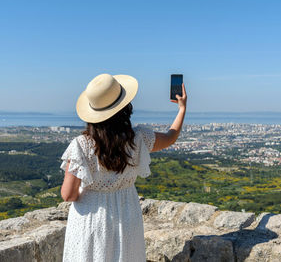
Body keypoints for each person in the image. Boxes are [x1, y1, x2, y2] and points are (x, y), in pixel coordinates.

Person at [60, 73, 187, 262]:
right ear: (124, 108)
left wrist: (91, 191)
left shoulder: (81, 145)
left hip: (91, 217)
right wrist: (182, 109)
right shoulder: (138, 138)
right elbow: (170, 137)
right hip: (127, 213)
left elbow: (68, 194)